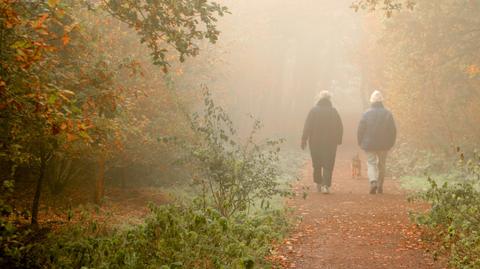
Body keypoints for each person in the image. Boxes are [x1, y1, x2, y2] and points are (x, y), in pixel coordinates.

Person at [302, 91, 343, 194]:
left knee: (317, 164)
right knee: (328, 163)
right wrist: (338, 139)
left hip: (315, 142)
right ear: (329, 99)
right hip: (330, 143)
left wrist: (304, 139)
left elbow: (307, 126)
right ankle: (326, 185)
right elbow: (340, 127)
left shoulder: (313, 111)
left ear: (319, 99)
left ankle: (318, 183)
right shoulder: (334, 111)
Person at [357, 90, 397, 194]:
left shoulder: (366, 113)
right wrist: (391, 143)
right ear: (382, 101)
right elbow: (392, 130)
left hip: (369, 144)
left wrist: (360, 141)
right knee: (382, 165)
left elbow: (360, 129)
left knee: (371, 163)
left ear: (371, 101)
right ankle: (380, 186)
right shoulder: (388, 113)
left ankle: (373, 182)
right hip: (384, 144)